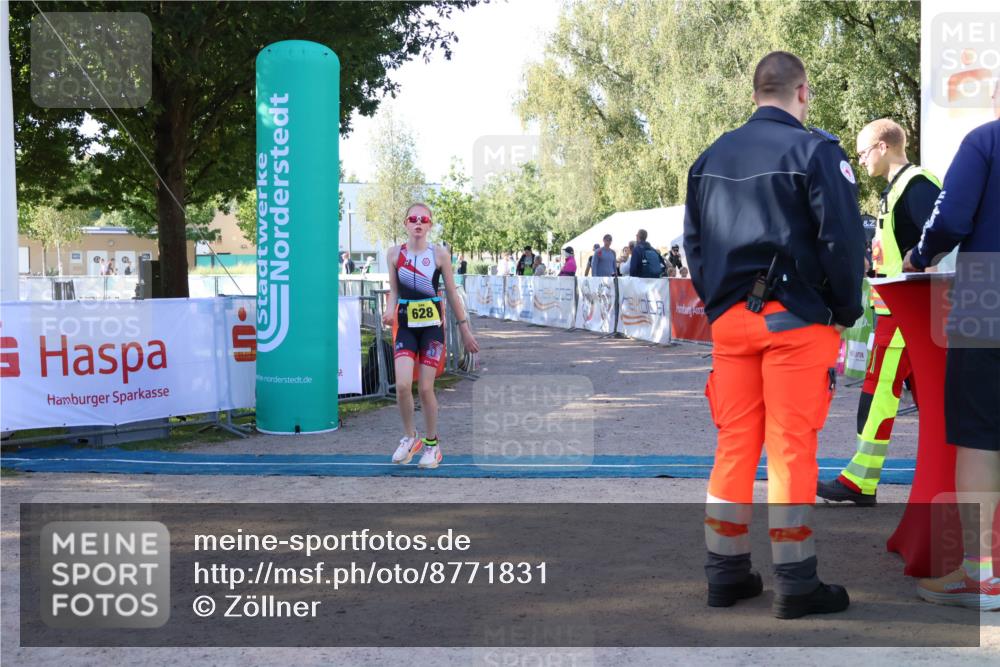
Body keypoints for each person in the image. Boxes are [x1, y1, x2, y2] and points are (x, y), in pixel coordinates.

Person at [684, 51, 865, 619]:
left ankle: (726, 573)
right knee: (792, 449)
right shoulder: (817, 151)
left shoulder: (709, 158)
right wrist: (843, 308)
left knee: (734, 445)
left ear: (755, 91)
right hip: (796, 321)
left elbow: (694, 244)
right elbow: (841, 241)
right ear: (802, 92)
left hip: (732, 323)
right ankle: (795, 581)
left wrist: (721, 303)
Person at [816, 118, 942, 506]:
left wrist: (917, 264)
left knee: (879, 394)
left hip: (908, 312)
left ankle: (860, 480)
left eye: (863, 151)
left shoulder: (917, 184)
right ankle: (949, 472)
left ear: (884, 147)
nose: (860, 159)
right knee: (934, 401)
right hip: (897, 312)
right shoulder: (898, 189)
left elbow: (939, 239)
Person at [903, 114, 1000, 609]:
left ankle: (983, 576)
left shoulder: (986, 139)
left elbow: (951, 218)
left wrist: (920, 254)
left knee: (980, 437)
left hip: (990, 291)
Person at [383, 203, 480, 469]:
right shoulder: (394, 255)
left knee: (425, 388)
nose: (418, 223)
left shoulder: (439, 255)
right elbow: (394, 290)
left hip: (432, 330)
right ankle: (409, 437)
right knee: (402, 385)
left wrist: (465, 330)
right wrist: (390, 310)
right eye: (413, 218)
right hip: (405, 326)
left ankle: (432, 444)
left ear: (429, 225)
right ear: (405, 223)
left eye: (423, 219)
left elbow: (451, 292)